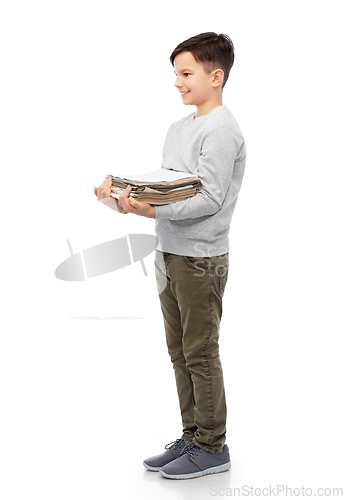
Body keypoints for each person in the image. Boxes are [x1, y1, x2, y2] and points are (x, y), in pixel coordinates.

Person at [94, 32, 246, 480]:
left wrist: (152, 207)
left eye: (186, 73)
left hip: (201, 259)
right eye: (175, 73)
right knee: (179, 352)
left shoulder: (223, 129)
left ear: (215, 76)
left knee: (200, 352)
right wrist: (122, 196)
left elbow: (210, 199)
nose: (177, 83)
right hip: (170, 253)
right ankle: (192, 436)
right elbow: (169, 185)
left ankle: (213, 446)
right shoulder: (178, 129)